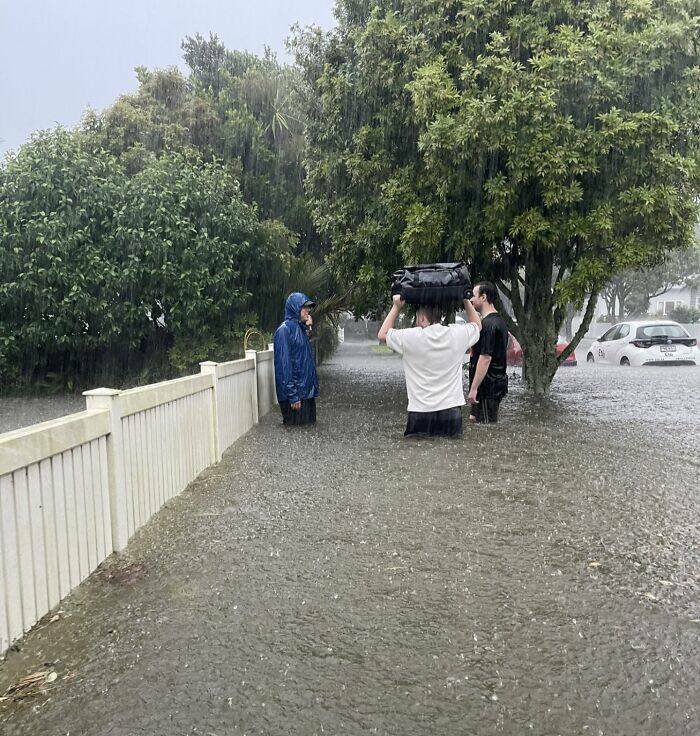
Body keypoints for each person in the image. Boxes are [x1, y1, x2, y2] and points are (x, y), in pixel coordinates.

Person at [378, 294, 481, 437]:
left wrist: (396, 307)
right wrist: (465, 300)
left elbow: (382, 334)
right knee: (451, 455)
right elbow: (478, 325)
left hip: (420, 412)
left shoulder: (410, 337)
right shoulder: (457, 334)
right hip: (450, 411)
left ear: (421, 318)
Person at [273, 292, 319, 426]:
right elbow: (284, 365)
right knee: (295, 431)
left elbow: (302, 353)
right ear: (295, 308)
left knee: (309, 432)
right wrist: (293, 396)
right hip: (295, 397)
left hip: (305, 394)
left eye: (309, 307)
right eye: (305, 307)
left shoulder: (300, 328)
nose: (308, 310)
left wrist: (308, 327)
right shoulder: (284, 331)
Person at [467, 281, 509, 424]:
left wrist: (473, 389)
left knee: (486, 427)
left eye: (473, 295)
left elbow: (485, 358)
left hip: (487, 388)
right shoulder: (499, 321)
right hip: (492, 386)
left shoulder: (488, 325)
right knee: (479, 424)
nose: (470, 299)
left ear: (483, 297)